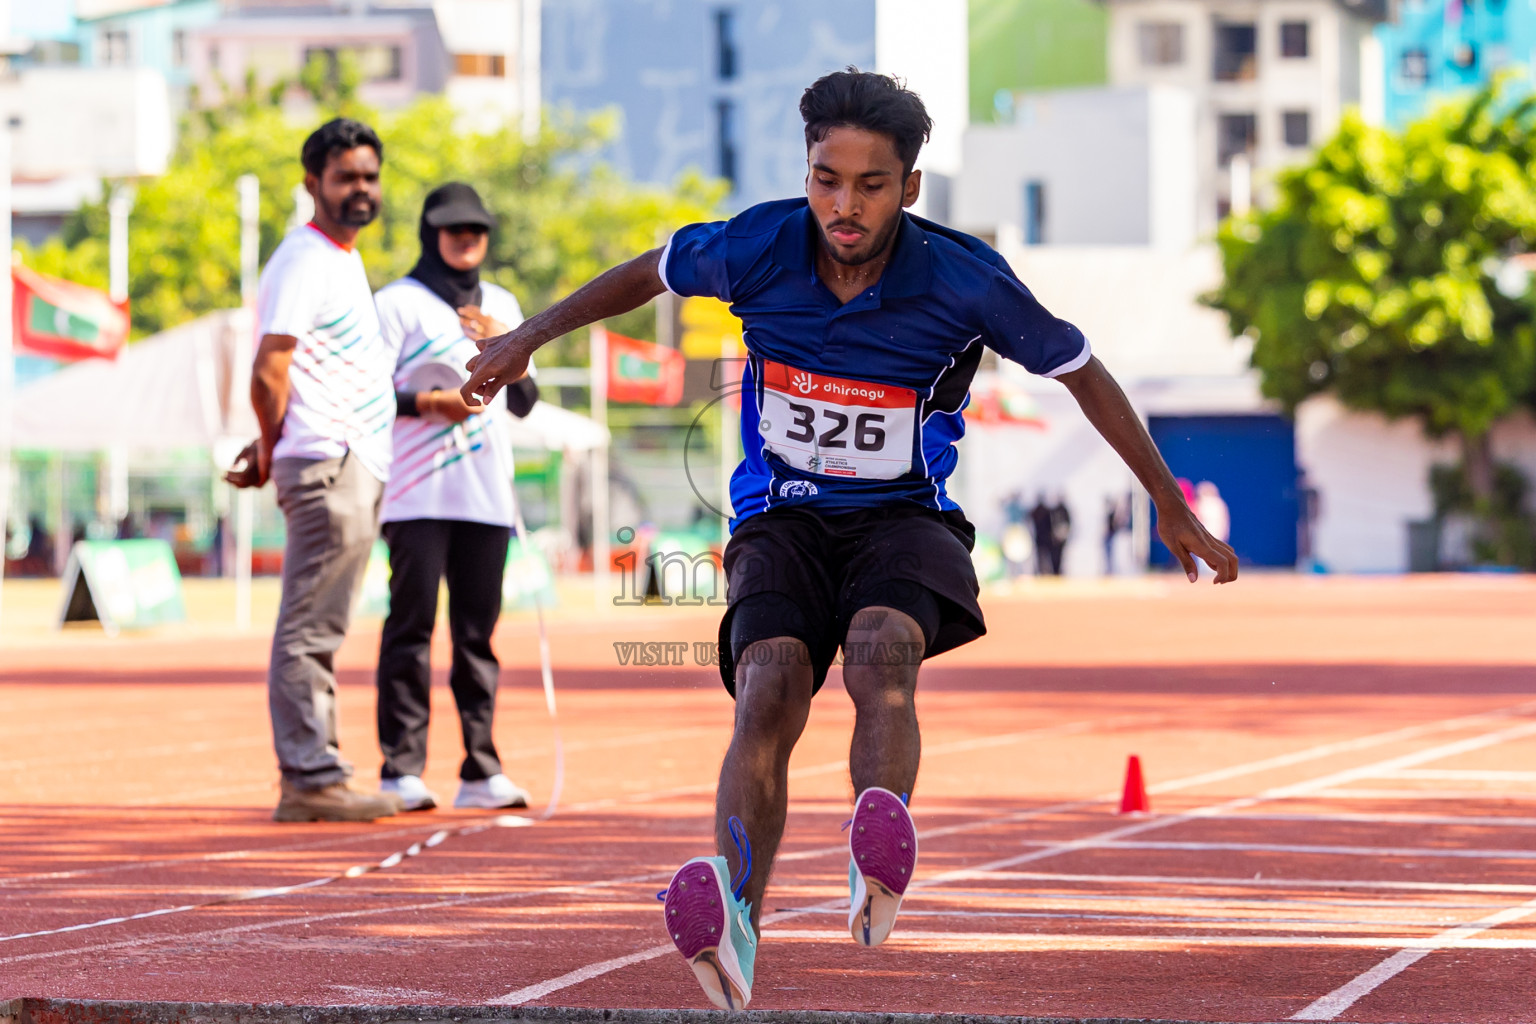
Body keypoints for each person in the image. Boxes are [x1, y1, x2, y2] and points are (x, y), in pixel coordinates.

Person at [462, 69, 1238, 1008]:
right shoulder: (758, 246)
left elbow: (1079, 367)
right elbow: (647, 273)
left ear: (909, 187)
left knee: (882, 654)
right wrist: (526, 340)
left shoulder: (965, 278)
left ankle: (880, 843)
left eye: (870, 185)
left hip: (903, 516)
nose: (843, 203)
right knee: (769, 684)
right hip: (780, 517)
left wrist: (1165, 497)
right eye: (826, 178)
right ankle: (737, 918)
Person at [246, 118, 400, 823]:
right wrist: (272, 443)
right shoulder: (304, 259)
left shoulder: (340, 257)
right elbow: (270, 365)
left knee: (323, 624)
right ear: (313, 184)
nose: (361, 190)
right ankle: (309, 775)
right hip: (327, 461)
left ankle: (318, 766)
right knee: (309, 627)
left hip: (348, 458)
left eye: (369, 177)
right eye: (346, 178)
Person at [373, 182, 537, 813]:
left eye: (477, 229)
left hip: (486, 496)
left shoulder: (501, 302)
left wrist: (507, 345)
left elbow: (525, 403)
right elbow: (367, 394)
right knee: (410, 631)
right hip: (415, 494)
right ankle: (401, 769)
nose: (467, 240)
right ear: (429, 232)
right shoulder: (397, 304)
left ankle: (480, 768)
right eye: (453, 228)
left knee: (478, 637)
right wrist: (428, 404)